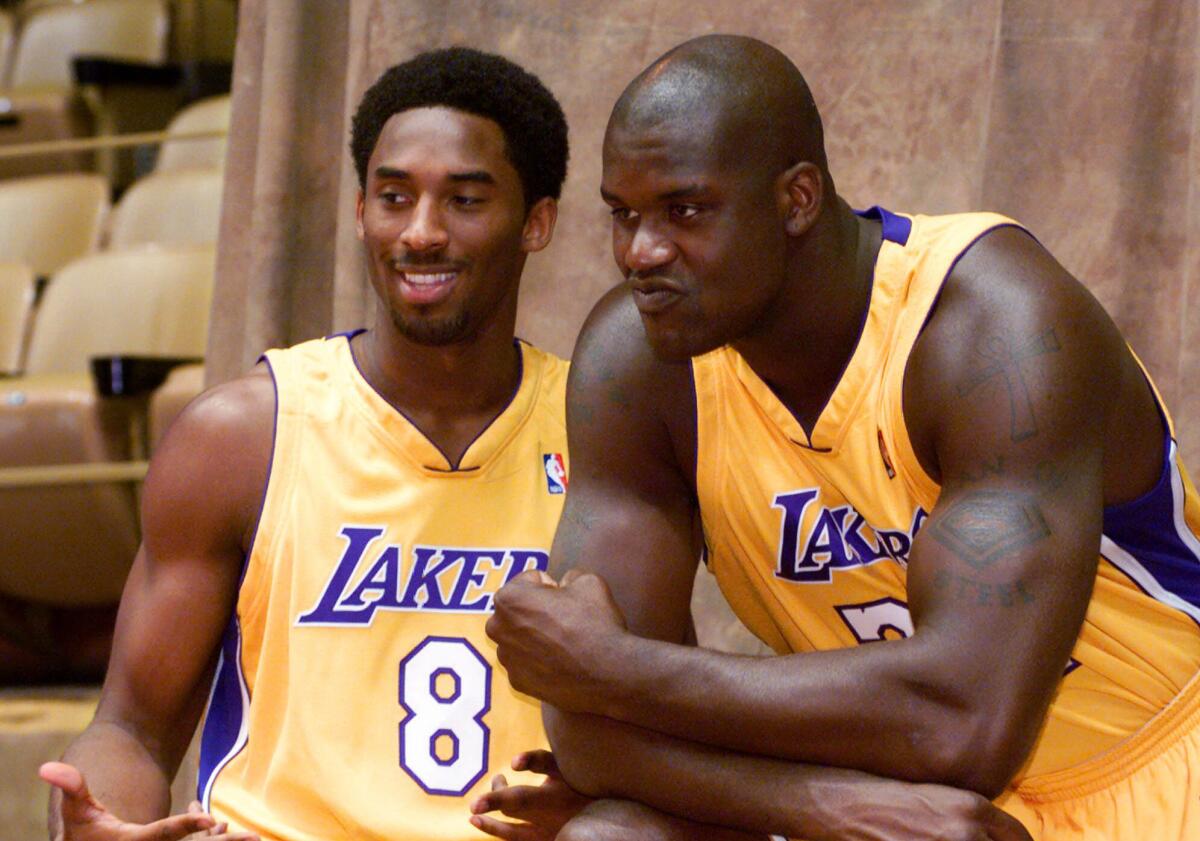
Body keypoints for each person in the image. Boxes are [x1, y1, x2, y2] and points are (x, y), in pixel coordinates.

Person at [483, 34, 1200, 840]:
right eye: (623, 214)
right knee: (612, 835)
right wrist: (836, 806)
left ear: (796, 199)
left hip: (1156, 779)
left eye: (685, 210)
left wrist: (615, 668)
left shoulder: (992, 327)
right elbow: (587, 727)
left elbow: (965, 726)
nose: (641, 253)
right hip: (907, 809)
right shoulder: (639, 364)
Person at [39, 47, 585, 841]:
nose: (422, 233)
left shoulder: (598, 430)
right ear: (361, 211)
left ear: (537, 221)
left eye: (465, 200)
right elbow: (131, 726)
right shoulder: (242, 436)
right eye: (394, 197)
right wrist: (101, 822)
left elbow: (654, 718)